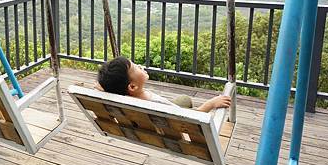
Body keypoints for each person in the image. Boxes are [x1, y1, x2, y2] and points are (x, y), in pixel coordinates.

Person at [97, 56, 231, 112]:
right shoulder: (156, 105)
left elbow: (103, 86)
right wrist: (212, 103)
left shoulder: (124, 97)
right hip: (175, 120)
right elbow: (193, 118)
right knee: (186, 100)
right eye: (136, 67)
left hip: (152, 121)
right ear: (132, 86)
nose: (139, 66)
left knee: (184, 99)